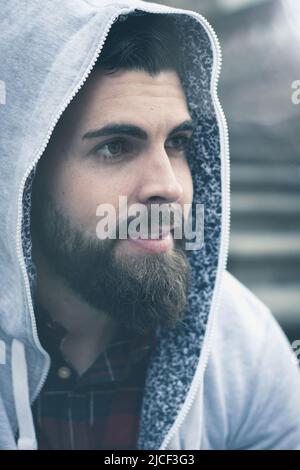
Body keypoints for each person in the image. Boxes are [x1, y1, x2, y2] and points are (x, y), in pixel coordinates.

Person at [0, 0, 300, 451]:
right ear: (24, 176)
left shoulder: (241, 346)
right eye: (115, 147)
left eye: (178, 143)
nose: (170, 187)